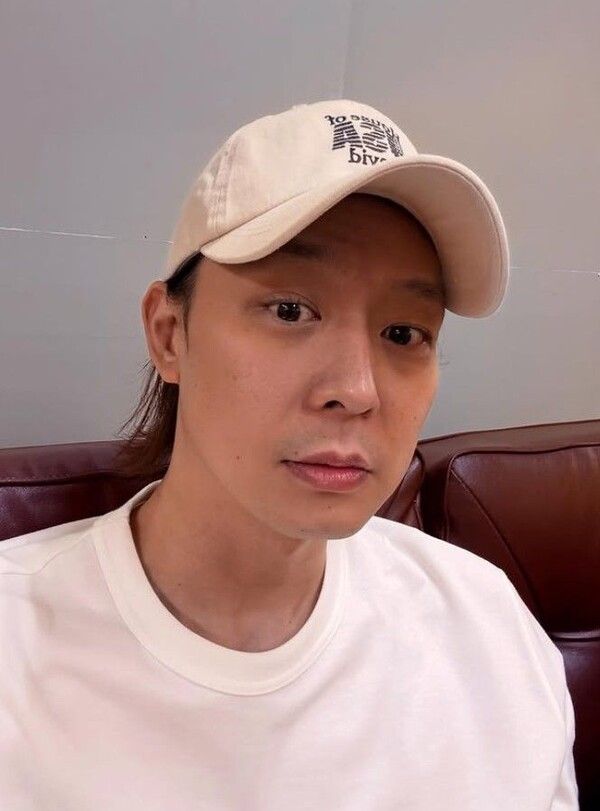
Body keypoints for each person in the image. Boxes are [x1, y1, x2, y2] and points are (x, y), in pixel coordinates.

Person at [0, 99, 578, 809]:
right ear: (170, 334)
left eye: (403, 333)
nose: (357, 391)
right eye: (290, 311)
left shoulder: (486, 628)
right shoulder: (18, 649)